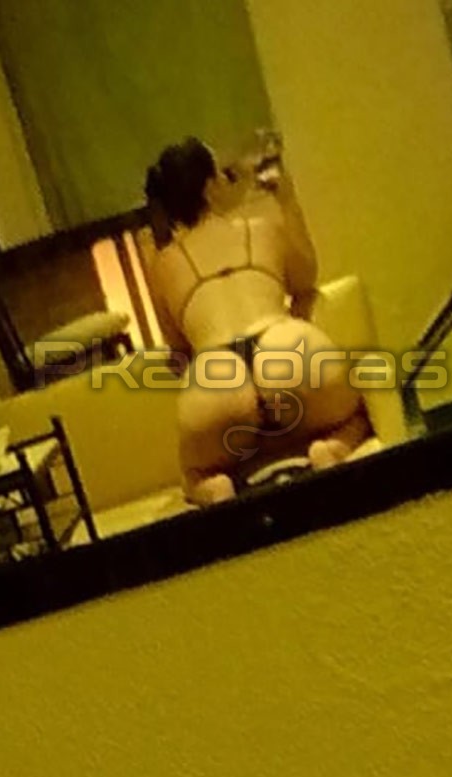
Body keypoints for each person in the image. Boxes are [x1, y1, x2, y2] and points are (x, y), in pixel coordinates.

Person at [144, 137, 371, 506]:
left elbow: (178, 353)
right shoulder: (260, 227)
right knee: (355, 417)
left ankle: (217, 488)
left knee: (194, 476)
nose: (227, 179)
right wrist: (287, 199)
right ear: (210, 187)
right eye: (221, 174)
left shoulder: (163, 264)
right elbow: (305, 279)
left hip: (217, 381)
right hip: (287, 351)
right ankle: (332, 448)